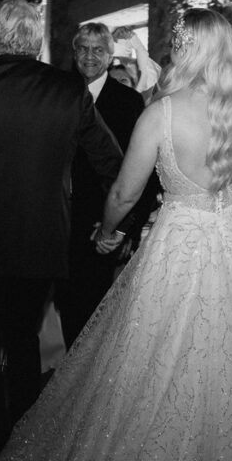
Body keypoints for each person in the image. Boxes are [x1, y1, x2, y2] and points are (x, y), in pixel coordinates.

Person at [0, 0, 232, 461]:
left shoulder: (162, 113)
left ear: (187, 48)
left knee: (156, 362)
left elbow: (124, 192)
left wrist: (105, 231)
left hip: (182, 246)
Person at [0, 0, 124, 461]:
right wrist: (118, 221)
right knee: (24, 344)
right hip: (42, 242)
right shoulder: (69, 91)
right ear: (37, 41)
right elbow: (111, 161)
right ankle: (23, 451)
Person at [55, 22, 153, 350]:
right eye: (82, 48)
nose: (89, 56)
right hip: (58, 219)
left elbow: (137, 170)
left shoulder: (127, 102)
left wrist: (123, 226)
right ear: (73, 53)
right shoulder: (57, 95)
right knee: (65, 304)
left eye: (98, 50)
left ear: (111, 57)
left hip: (102, 222)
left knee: (96, 311)